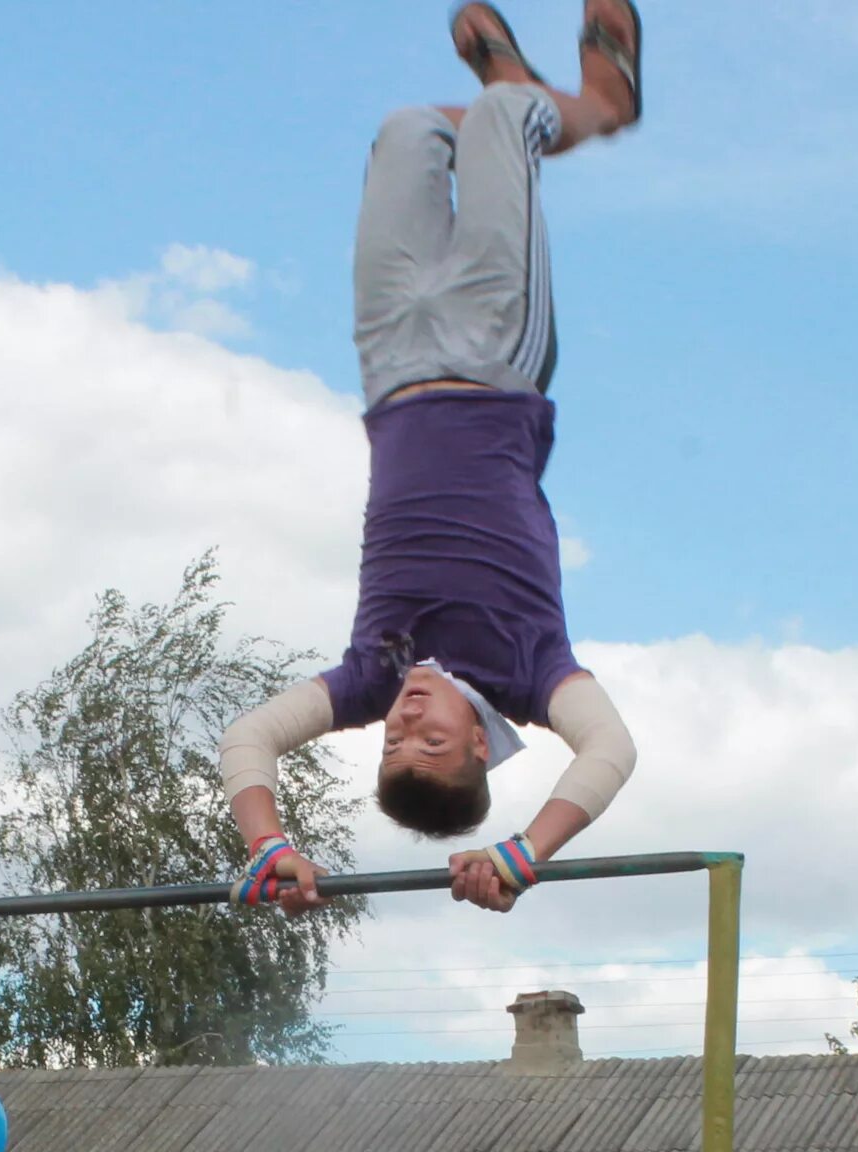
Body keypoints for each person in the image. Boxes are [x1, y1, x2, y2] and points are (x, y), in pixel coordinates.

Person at [217, 1, 645, 918]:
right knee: (498, 122)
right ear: (481, 744)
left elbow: (247, 739)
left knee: (408, 130)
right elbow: (612, 750)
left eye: (393, 744)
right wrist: (528, 853)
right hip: (496, 361)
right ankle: (599, 105)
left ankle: (525, 107)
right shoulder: (533, 671)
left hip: (391, 365)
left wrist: (270, 845)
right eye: (431, 742)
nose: (404, 723)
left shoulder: (371, 674)